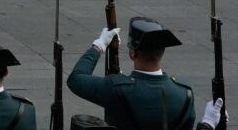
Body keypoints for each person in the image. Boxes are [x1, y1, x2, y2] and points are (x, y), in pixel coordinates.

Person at [67, 18, 196, 130]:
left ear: (132, 53)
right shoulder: (185, 93)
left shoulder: (116, 88)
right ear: (162, 52)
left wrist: (99, 45)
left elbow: (76, 79)